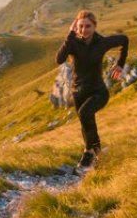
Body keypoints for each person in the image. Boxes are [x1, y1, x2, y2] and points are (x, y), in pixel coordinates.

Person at [55, 9, 129, 169]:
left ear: (95, 26)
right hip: (78, 91)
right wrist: (69, 35)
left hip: (98, 92)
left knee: (84, 113)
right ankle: (96, 153)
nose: (84, 30)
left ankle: (88, 152)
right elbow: (59, 59)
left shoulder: (102, 42)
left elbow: (124, 39)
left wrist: (120, 63)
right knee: (86, 123)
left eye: (88, 26)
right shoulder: (73, 42)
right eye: (80, 26)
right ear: (76, 27)